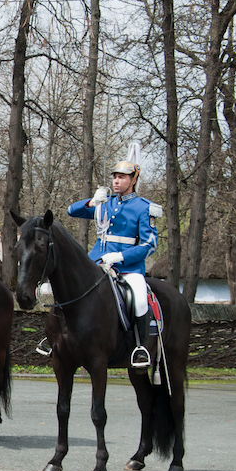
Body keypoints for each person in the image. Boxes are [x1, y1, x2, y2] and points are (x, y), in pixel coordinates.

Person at [68, 143, 161, 368]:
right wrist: (92, 201)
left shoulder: (143, 208)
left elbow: (150, 244)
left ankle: (140, 347)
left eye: (122, 177)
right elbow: (72, 211)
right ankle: (59, 338)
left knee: (139, 298)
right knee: (68, 289)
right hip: (97, 263)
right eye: (115, 177)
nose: (116, 181)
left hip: (128, 267)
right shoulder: (104, 204)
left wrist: (121, 256)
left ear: (133, 180)